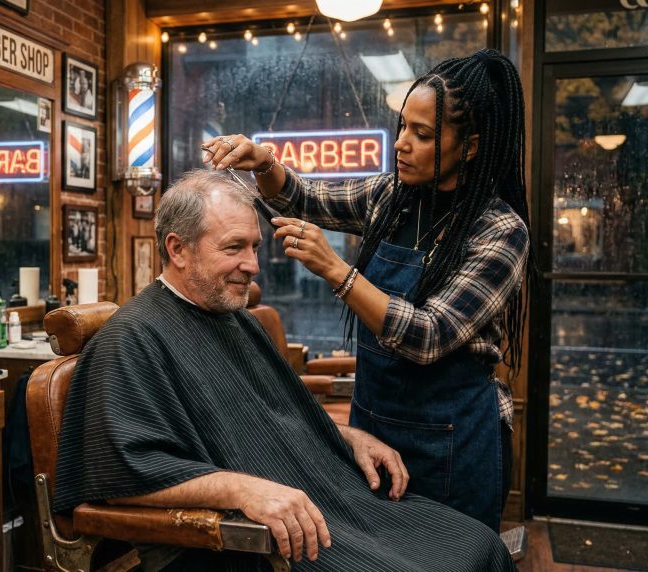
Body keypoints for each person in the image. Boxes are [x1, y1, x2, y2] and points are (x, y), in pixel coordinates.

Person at [53, 169, 514, 571]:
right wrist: (243, 491)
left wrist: (344, 436)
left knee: (477, 543)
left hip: (327, 501)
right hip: (239, 545)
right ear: (178, 249)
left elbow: (275, 413)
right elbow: (122, 472)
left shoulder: (233, 319)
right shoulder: (131, 339)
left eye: (254, 246)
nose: (252, 266)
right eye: (234, 247)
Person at [201, 49, 534, 532]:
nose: (402, 144)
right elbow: (303, 195)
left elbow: (428, 335)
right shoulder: (389, 199)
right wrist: (263, 161)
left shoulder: (499, 231)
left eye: (422, 134)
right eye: (402, 127)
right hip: (371, 427)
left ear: (471, 146)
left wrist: (338, 271)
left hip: (453, 441)